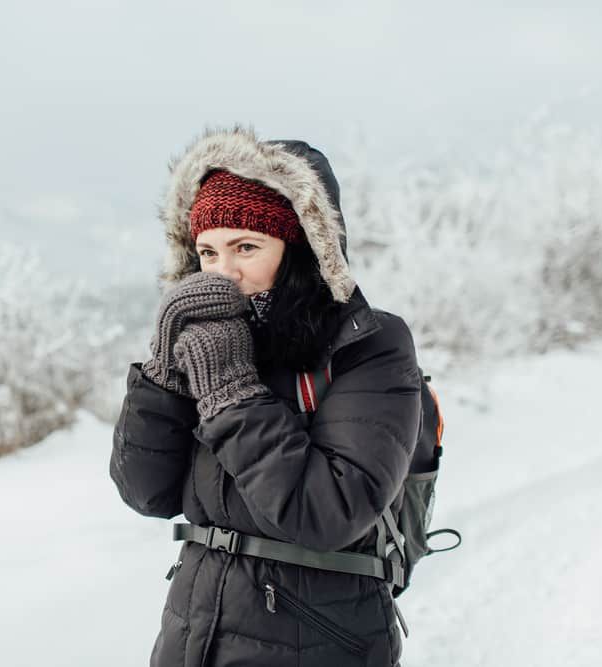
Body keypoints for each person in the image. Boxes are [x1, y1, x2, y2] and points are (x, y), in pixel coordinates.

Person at [110, 127, 422, 667]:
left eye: (246, 247)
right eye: (207, 251)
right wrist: (165, 372)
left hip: (321, 640)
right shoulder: (206, 345)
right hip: (193, 634)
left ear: (299, 248)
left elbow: (327, 514)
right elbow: (146, 494)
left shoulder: (368, 344)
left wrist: (231, 391)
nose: (223, 272)